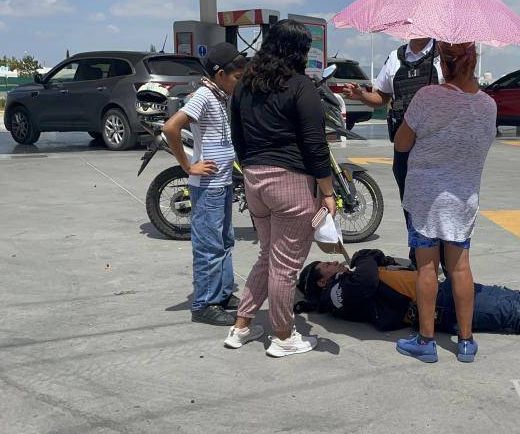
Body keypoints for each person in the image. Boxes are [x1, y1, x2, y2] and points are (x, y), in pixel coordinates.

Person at [226, 20, 336, 358]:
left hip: (254, 178)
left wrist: (252, 170)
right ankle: (283, 336)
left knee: (266, 254)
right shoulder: (301, 86)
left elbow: (238, 136)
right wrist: (328, 192)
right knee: (286, 265)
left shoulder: (245, 85)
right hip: (290, 181)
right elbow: (315, 145)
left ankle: (242, 326)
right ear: (298, 51)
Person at [393, 42, 496, 363]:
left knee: (427, 266)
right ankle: (465, 342)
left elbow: (401, 142)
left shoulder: (428, 96)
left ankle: (426, 340)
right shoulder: (488, 105)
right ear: (474, 60)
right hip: (463, 199)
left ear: (443, 62)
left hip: (425, 197)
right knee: (461, 267)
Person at [294, 249, 520, 340]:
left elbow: (380, 259)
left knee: (510, 298)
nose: (334, 263)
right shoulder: (336, 293)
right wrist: (360, 258)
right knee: (510, 314)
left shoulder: (346, 279)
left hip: (442, 291)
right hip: (440, 307)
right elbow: (369, 278)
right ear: (321, 282)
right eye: (327, 265)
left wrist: (369, 258)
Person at [162, 43, 248, 326]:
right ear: (220, 73)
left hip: (221, 184)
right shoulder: (203, 96)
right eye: (236, 76)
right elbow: (171, 127)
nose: (239, 81)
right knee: (209, 246)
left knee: (224, 241)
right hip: (208, 187)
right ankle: (203, 304)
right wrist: (188, 167)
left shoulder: (218, 95)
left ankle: (222, 294)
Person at [343, 38, 443, 267]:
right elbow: (382, 97)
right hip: (404, 145)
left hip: (435, 145)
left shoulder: (443, 55)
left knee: (436, 203)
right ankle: (418, 254)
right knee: (410, 202)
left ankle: (441, 258)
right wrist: (361, 96)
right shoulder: (396, 58)